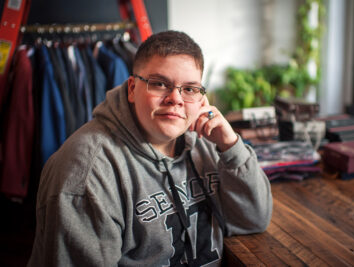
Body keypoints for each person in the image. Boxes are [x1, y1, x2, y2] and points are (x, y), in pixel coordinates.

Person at [28, 30, 273, 267]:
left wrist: (231, 146)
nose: (175, 99)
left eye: (189, 89)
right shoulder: (86, 171)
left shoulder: (205, 141)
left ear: (200, 98)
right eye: (159, 84)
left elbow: (254, 220)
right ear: (133, 88)